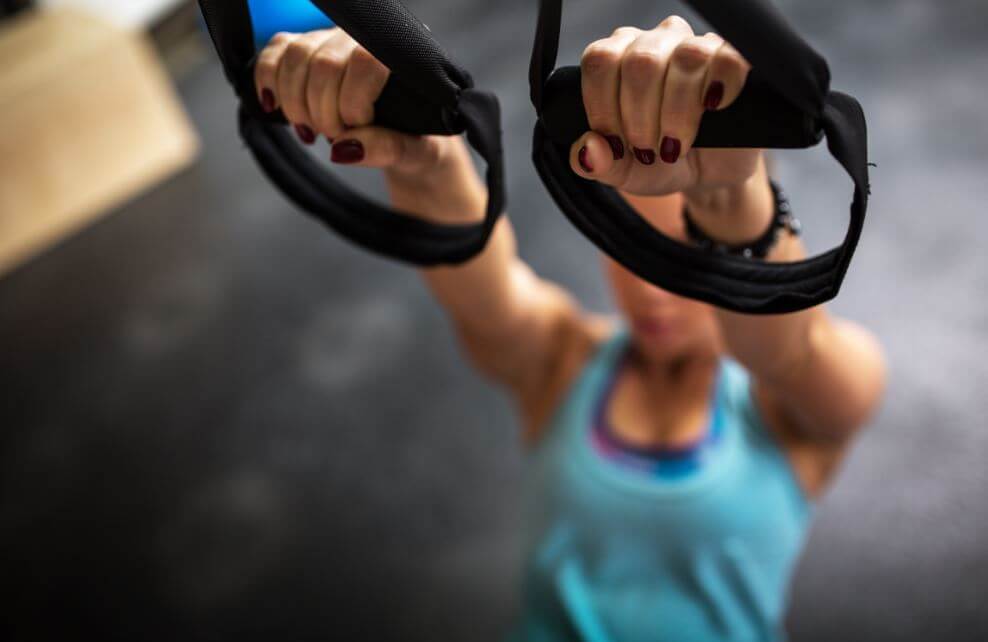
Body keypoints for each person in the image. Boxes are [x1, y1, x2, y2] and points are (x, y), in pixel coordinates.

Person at [252, 15, 887, 641]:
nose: (650, 289)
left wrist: (727, 200)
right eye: (632, 248)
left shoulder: (800, 400)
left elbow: (787, 348)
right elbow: (485, 294)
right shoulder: (563, 359)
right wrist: (425, 161)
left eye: (681, 254)